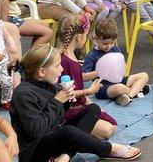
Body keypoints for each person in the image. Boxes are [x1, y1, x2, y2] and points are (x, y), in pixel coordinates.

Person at [11, 44, 142, 161]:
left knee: (93, 109)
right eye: (57, 66)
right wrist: (57, 101)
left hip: (52, 135)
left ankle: (65, 156)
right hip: (34, 151)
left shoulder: (48, 83)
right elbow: (37, 130)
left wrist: (66, 101)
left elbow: (58, 117)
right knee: (69, 131)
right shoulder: (23, 94)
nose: (61, 69)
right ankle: (108, 149)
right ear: (41, 72)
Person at [57, 15, 117, 139]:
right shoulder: (64, 60)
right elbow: (65, 93)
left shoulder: (70, 55)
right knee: (107, 129)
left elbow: (78, 77)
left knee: (112, 123)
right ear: (79, 37)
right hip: (69, 111)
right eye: (86, 34)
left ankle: (78, 130)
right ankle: (71, 131)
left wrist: (87, 100)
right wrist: (88, 91)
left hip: (79, 104)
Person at [82, 19, 150, 107]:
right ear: (96, 39)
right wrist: (98, 72)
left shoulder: (114, 49)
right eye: (105, 43)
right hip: (103, 87)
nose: (109, 46)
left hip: (119, 80)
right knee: (119, 88)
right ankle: (137, 90)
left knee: (144, 75)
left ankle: (128, 96)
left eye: (112, 43)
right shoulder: (91, 56)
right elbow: (83, 77)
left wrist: (122, 69)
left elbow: (123, 65)